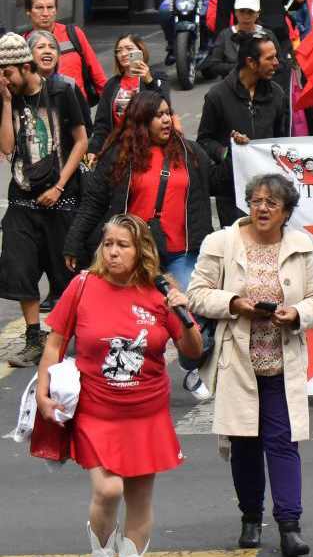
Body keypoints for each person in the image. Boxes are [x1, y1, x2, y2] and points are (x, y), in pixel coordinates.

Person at [35, 214, 203, 557]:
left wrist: (185, 313)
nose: (112, 251)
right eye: (108, 243)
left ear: (140, 250)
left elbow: (193, 353)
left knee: (141, 498)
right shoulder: (82, 286)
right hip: (96, 410)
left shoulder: (161, 292)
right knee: (108, 488)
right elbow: (54, 343)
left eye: (122, 245)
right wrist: (43, 394)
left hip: (146, 412)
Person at [186, 173, 313, 557]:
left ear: (286, 212)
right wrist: (234, 304)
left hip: (283, 362)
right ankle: (251, 518)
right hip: (238, 362)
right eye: (256, 201)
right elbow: (196, 295)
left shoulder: (301, 246)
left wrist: (295, 313)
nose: (262, 209)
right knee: (244, 443)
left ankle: (290, 526)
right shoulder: (221, 243)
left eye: (272, 203)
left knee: (283, 442)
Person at [67, 90, 214, 396]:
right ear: (141, 122)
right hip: (136, 255)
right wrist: (74, 241)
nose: (165, 120)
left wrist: (237, 151)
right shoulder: (119, 156)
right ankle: (118, 377)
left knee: (192, 317)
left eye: (167, 113)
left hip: (180, 252)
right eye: (157, 115)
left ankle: (193, 369)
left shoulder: (189, 153)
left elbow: (221, 180)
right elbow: (93, 203)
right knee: (126, 318)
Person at [0, 31, 91, 367]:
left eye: (8, 72)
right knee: (19, 267)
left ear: (25, 66)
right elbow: (8, 149)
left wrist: (60, 186)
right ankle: (33, 335)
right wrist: (7, 101)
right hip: (22, 198)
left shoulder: (62, 90)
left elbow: (81, 141)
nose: (4, 79)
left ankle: (78, 334)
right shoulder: (7, 96)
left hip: (61, 195)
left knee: (65, 271)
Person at [196, 34, 290, 225]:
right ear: (251, 62)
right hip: (231, 192)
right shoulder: (217, 96)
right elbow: (204, 141)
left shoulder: (278, 95)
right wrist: (226, 152)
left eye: (276, 57)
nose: (276, 63)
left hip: (269, 191)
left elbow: (282, 141)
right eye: (270, 58)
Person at [24, 0, 106, 107]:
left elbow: (98, 75)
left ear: (56, 10)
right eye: (39, 7)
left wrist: (107, 110)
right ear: (28, 11)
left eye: (50, 7)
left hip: (78, 109)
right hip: (40, 111)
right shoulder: (23, 42)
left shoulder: (73, 34)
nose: (45, 13)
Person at [89, 34, 167, 155]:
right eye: (119, 51)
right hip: (120, 150)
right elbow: (102, 125)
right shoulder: (112, 84)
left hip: (149, 147)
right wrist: (93, 150)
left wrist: (149, 81)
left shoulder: (157, 77)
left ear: (141, 51)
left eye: (129, 49)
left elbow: (165, 109)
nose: (124, 54)